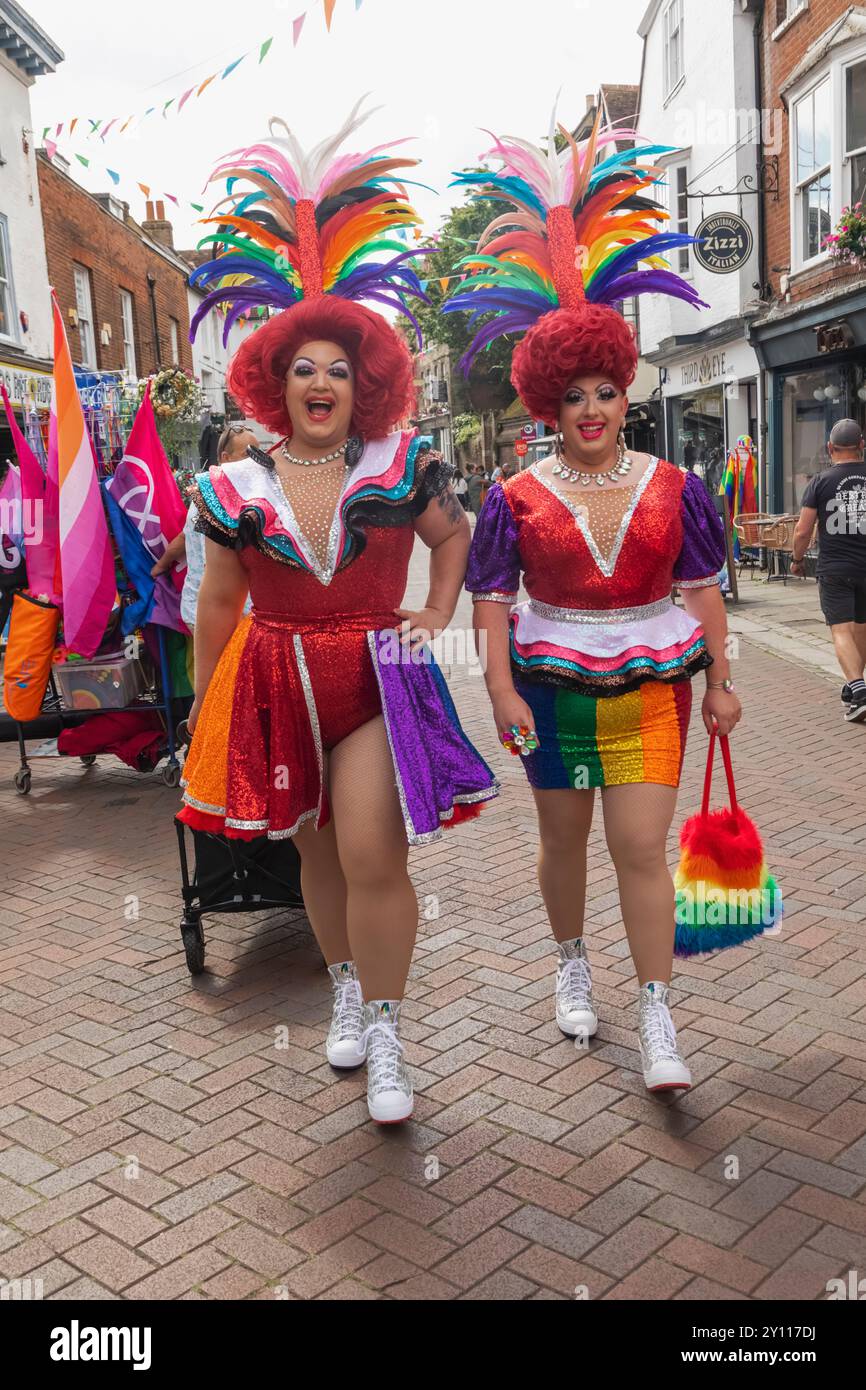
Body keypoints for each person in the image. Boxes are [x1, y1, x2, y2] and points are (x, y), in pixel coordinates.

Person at [178, 106, 498, 1125]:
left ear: (366, 383)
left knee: (369, 849)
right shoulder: (234, 487)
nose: (321, 381)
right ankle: (346, 987)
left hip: (371, 676)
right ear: (276, 383)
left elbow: (454, 537)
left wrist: (434, 610)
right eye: (301, 366)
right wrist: (205, 711)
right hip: (272, 679)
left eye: (339, 368)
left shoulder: (403, 464)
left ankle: (392, 1030)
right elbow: (219, 605)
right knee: (313, 852)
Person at [448, 110, 741, 1094]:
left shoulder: (675, 486)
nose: (587, 411)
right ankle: (571, 963)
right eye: (570, 395)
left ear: (623, 391)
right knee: (564, 841)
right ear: (546, 402)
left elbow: (698, 592)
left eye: (602, 392)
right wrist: (497, 691)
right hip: (548, 681)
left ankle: (658, 1016)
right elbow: (489, 601)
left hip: (652, 681)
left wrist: (721, 682)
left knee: (638, 847)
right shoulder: (512, 497)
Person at [792, 418, 866, 723]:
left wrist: (797, 560)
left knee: (841, 630)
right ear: (862, 445)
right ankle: (857, 690)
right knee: (861, 628)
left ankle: (858, 691)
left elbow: (802, 530)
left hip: (835, 568)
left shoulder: (820, 482)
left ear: (829, 448)